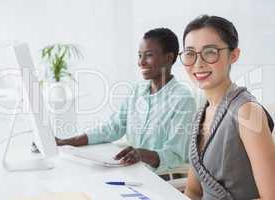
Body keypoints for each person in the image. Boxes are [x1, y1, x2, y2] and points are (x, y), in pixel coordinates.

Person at [56, 28, 196, 174]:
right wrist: (66, 142)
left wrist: (141, 154)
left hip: (162, 178)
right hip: (132, 171)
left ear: (168, 58)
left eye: (148, 55)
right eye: (139, 55)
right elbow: (113, 128)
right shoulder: (137, 91)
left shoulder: (183, 99)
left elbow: (175, 155)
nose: (141, 62)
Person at [180, 15, 275, 199]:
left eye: (210, 52)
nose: (198, 63)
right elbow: (193, 191)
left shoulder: (247, 111)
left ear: (233, 55)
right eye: (190, 53)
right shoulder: (201, 113)